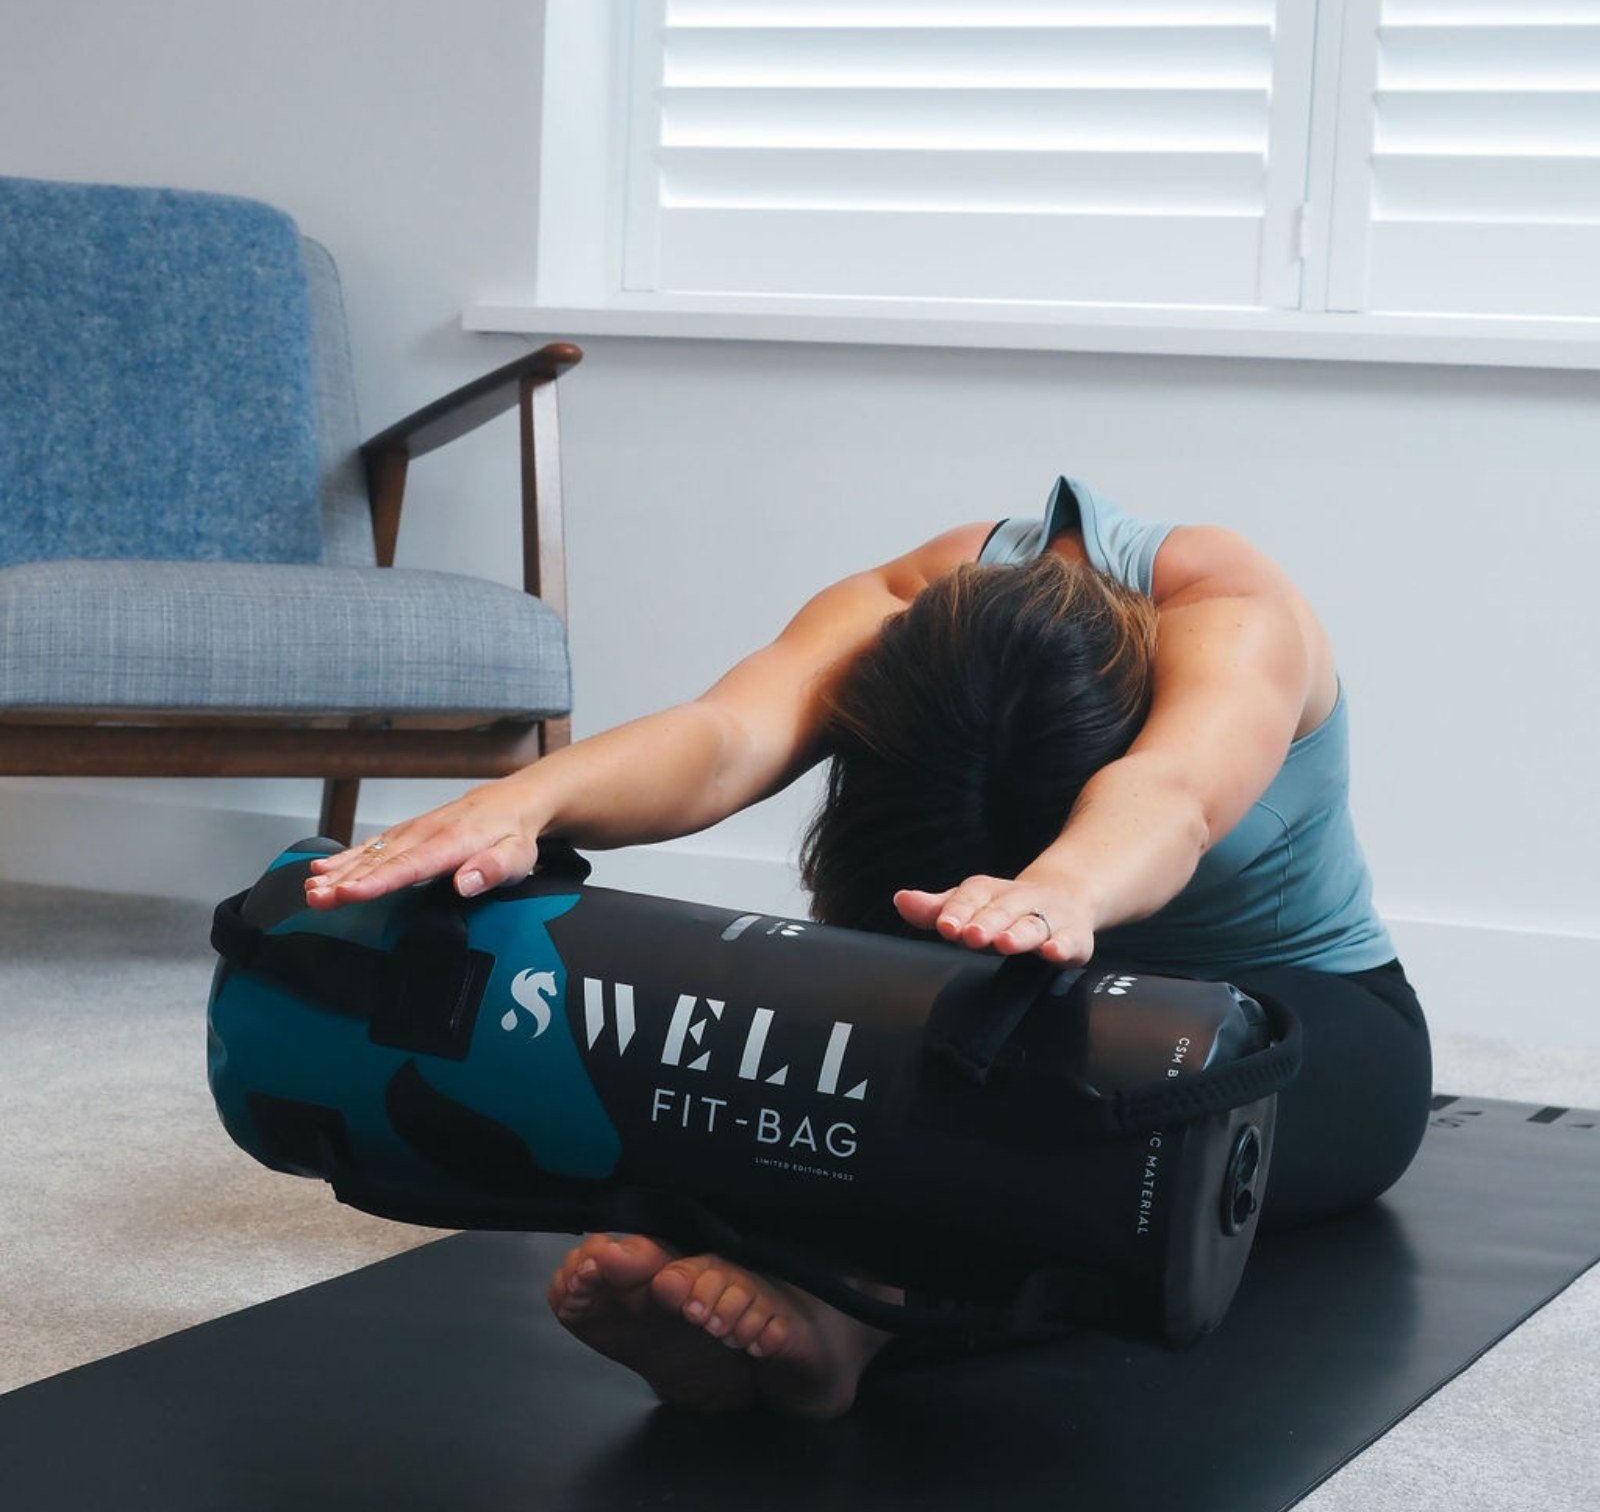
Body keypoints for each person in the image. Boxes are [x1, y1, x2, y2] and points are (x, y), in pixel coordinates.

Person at [305, 476, 1433, 1419]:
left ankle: (851, 1323)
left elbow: (1173, 793)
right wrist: (523, 803)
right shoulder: (909, 603)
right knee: (760, 1069)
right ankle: (775, 1303)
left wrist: (1053, 892)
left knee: (1100, 1129)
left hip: (1299, 1016)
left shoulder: (1230, 611)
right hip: (1012, 985)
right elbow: (727, 734)